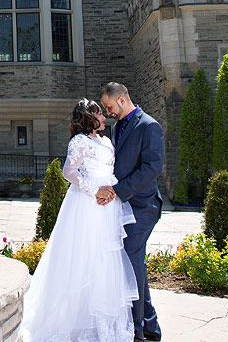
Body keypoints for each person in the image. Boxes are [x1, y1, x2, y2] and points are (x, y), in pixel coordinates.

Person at [20, 99, 137, 342]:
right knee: (85, 255)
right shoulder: (79, 141)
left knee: (106, 257)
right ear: (88, 117)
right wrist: (96, 191)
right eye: (99, 114)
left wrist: (112, 191)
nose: (105, 117)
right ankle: (75, 321)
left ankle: (101, 323)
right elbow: (69, 172)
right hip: (88, 204)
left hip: (109, 205)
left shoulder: (105, 141)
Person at [98, 82, 164, 342]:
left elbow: (152, 169)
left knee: (130, 263)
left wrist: (117, 190)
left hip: (143, 207)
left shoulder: (149, 126)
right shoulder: (117, 128)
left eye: (109, 107)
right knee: (134, 265)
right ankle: (150, 327)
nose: (108, 112)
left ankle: (135, 330)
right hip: (124, 208)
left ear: (122, 100)